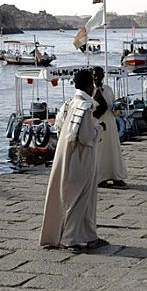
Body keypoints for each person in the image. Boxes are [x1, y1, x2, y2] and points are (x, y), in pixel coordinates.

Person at [39, 69, 109, 251]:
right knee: (80, 199)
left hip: (66, 156)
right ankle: (71, 239)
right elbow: (85, 137)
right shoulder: (84, 107)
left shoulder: (68, 103)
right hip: (81, 158)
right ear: (89, 85)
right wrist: (100, 129)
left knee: (77, 198)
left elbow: (59, 127)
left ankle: (88, 235)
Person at [93, 67, 128, 188]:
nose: (97, 77)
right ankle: (100, 177)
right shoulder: (90, 90)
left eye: (100, 74)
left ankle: (116, 176)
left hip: (110, 122)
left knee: (113, 149)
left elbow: (112, 105)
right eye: (95, 75)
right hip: (98, 123)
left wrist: (118, 108)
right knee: (100, 151)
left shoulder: (108, 89)